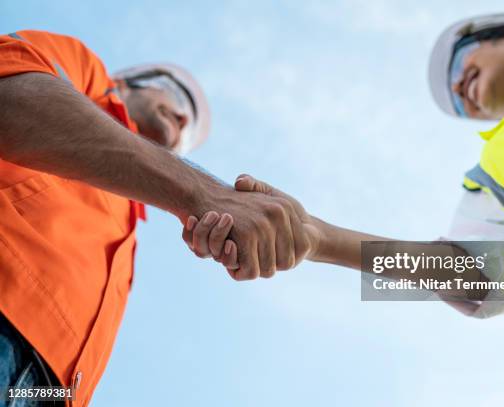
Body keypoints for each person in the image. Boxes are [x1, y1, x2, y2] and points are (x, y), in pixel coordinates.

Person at [193, 9, 504, 339]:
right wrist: (320, 240)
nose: (456, 90)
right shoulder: (494, 178)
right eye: (455, 101)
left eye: (459, 62)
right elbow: (475, 277)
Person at [0, 30, 314, 406]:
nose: (183, 119)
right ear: (126, 82)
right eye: (176, 95)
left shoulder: (130, 232)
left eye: (190, 135)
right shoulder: (83, 69)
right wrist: (203, 193)